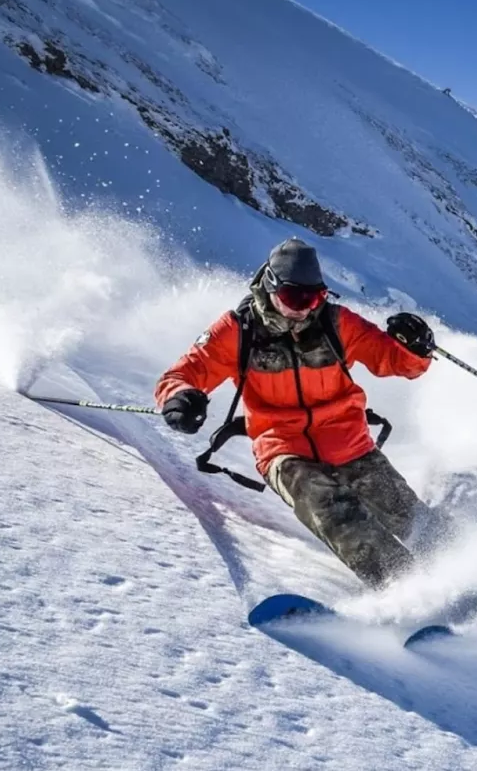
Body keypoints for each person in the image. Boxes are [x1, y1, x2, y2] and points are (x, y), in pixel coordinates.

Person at [156, 237, 439, 587]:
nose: (305, 308)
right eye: (295, 298)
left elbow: (397, 362)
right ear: (271, 287)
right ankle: (413, 590)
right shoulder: (238, 330)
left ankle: (473, 570)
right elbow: (182, 374)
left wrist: (416, 347)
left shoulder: (336, 323)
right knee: (333, 511)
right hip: (283, 448)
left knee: (408, 515)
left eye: (315, 297)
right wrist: (180, 398)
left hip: (350, 443)